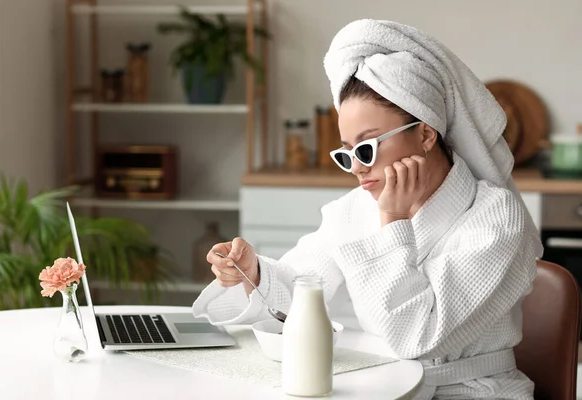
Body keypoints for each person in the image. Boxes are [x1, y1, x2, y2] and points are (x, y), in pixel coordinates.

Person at [192, 19, 543, 400]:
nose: (357, 167)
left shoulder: (495, 216)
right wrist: (252, 273)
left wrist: (393, 221)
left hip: (473, 392)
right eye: (347, 153)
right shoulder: (354, 210)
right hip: (379, 387)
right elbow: (303, 288)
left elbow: (417, 336)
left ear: (425, 134)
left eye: (367, 147)